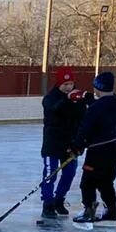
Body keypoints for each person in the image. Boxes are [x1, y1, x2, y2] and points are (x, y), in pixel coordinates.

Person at [72, 72, 116, 226]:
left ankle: (89, 211)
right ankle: (112, 211)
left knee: (87, 183)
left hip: (98, 152)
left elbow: (85, 129)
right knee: (106, 182)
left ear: (98, 88)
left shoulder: (95, 109)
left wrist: (76, 147)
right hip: (115, 147)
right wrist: (88, 97)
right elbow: (101, 104)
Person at [39, 66, 85, 220]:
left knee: (70, 172)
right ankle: (48, 203)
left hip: (71, 144)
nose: (68, 87)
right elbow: (53, 108)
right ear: (58, 84)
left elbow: (82, 120)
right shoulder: (51, 98)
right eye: (65, 85)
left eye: (71, 84)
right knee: (50, 174)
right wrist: (67, 99)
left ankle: (59, 199)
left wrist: (80, 143)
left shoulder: (78, 99)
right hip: (52, 144)